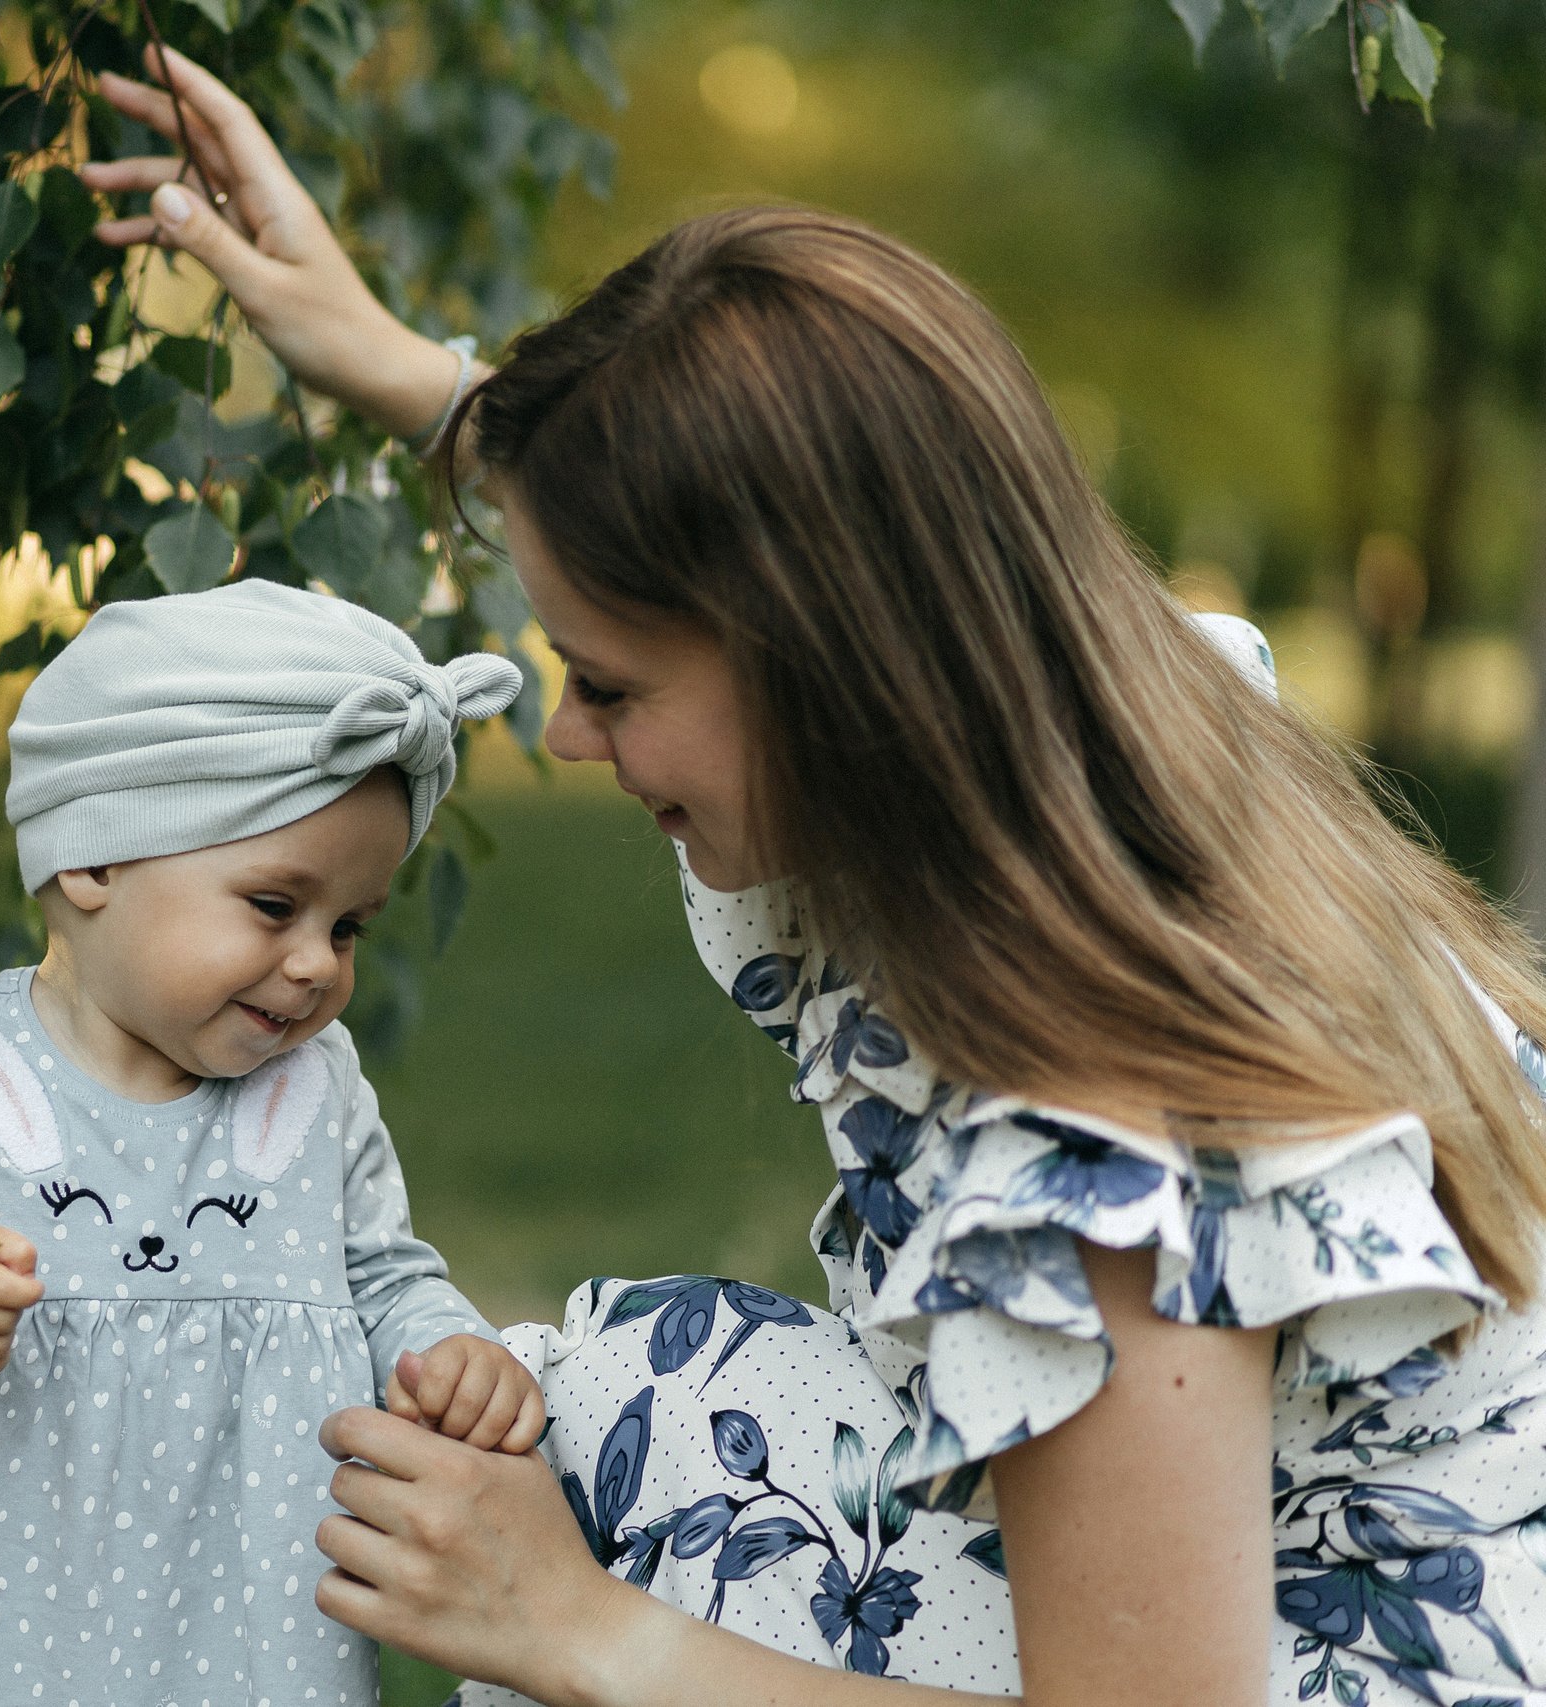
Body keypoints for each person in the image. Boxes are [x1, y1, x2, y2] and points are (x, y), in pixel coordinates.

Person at [76, 46, 1546, 1707]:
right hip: (1303, 1561)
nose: (564, 735)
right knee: (658, 1397)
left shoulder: (1098, 1139)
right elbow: (795, 504)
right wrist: (397, 364)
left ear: (823, 672)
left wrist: (573, 1629)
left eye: (611, 684)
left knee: (649, 1482)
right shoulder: (1106, 744)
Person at [0, 579, 545, 1707]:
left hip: (239, 1626)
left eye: (348, 926)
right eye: (273, 906)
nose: (316, 964)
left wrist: (443, 1348)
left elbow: (383, 1273)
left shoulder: (313, 1087)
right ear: (95, 862)